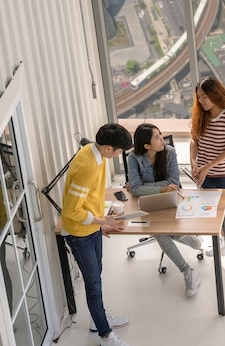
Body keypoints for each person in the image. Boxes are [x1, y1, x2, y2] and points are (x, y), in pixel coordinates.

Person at [61, 123, 133, 346]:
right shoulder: (87, 166)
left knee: (96, 277)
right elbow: (71, 210)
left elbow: (89, 198)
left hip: (91, 228)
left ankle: (96, 319)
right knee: (93, 284)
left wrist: (100, 223)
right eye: (120, 151)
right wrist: (102, 221)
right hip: (79, 233)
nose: (120, 155)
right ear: (109, 148)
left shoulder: (97, 155)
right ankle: (104, 334)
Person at [126, 123, 203, 297]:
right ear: (146, 146)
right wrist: (160, 188)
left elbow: (173, 182)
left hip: (172, 200)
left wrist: (145, 186)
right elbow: (136, 190)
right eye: (157, 137)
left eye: (160, 135)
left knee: (162, 233)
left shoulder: (169, 153)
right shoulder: (133, 158)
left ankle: (188, 257)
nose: (162, 139)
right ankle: (187, 270)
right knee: (161, 233)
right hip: (147, 204)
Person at [190, 77, 225, 273]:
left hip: (223, 173)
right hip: (203, 174)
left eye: (205, 97)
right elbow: (194, 141)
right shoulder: (200, 115)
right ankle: (222, 240)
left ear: (215, 94)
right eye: (199, 98)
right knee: (211, 211)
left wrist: (207, 167)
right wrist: (195, 163)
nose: (202, 101)